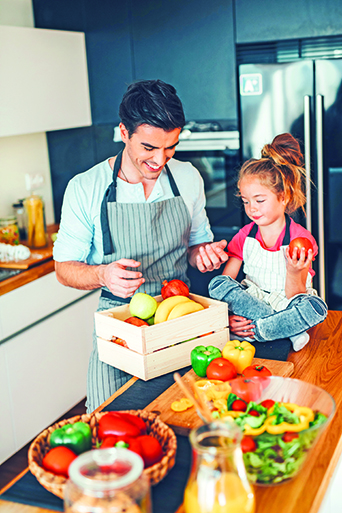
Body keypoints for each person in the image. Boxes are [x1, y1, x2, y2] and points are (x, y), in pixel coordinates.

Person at [53, 79, 228, 412]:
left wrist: (202, 254)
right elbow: (64, 269)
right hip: (119, 333)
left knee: (186, 423)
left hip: (180, 325)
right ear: (124, 132)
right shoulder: (85, 188)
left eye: (171, 147)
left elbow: (196, 245)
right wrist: (103, 274)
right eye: (149, 148)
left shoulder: (188, 177)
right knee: (109, 427)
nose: (160, 160)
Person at [208, 133, 327, 352]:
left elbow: (295, 295)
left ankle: (265, 329)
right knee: (217, 285)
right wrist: (230, 315)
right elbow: (227, 283)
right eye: (246, 201)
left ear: (284, 197)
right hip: (252, 304)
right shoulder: (244, 236)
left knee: (312, 307)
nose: (252, 208)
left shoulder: (302, 240)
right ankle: (287, 329)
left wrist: (293, 271)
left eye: (260, 200)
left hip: (287, 302)